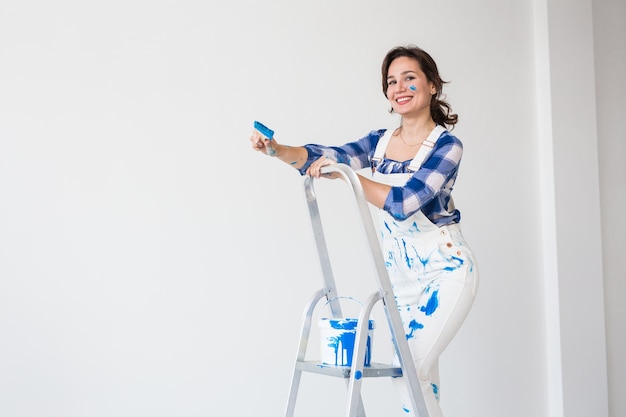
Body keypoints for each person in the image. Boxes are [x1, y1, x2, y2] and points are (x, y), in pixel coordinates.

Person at [249, 45, 478, 417]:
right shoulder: (379, 143)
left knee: (410, 371)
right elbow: (323, 154)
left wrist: (349, 177)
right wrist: (276, 149)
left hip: (445, 271)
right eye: (391, 81)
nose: (399, 87)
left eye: (409, 78)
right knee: (422, 383)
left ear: (432, 85)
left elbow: (406, 202)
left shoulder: (447, 146)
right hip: (399, 280)